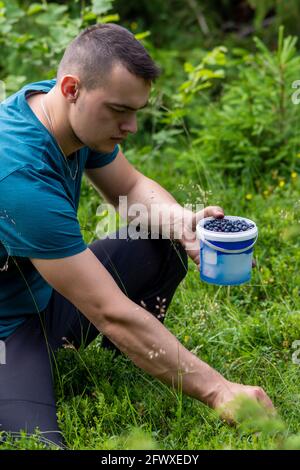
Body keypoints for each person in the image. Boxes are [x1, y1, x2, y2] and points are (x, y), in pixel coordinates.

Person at [0, 23, 273, 448]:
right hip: (7, 330)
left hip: (44, 297)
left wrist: (182, 224)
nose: (130, 126)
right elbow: (110, 311)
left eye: (136, 112)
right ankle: (96, 351)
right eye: (118, 111)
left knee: (161, 238)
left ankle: (124, 356)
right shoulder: (20, 177)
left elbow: (127, 189)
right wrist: (220, 391)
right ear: (72, 88)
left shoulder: (61, 109)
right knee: (37, 443)